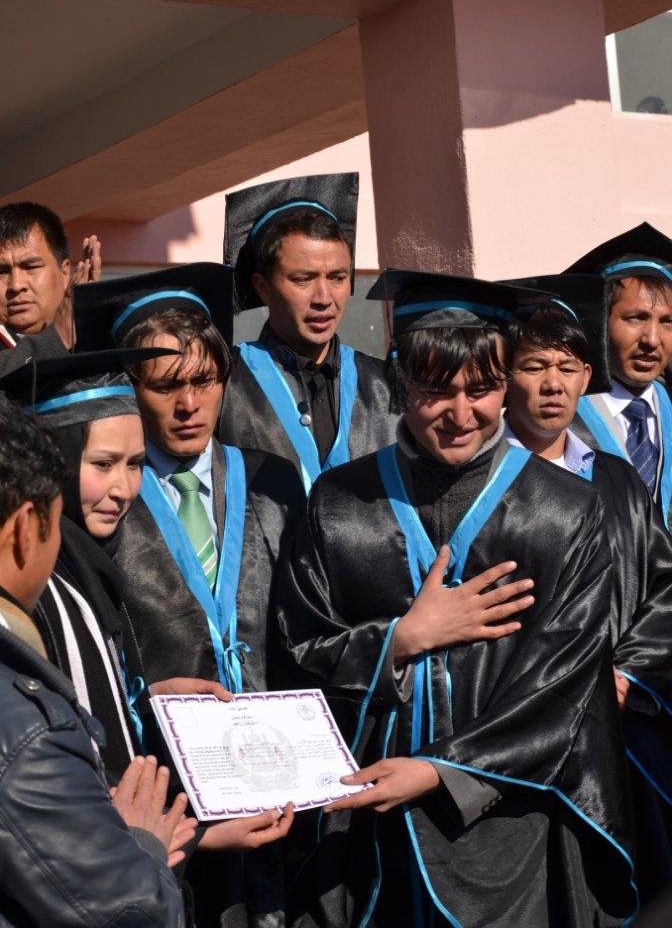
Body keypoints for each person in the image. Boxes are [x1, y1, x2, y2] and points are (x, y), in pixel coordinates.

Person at [276, 270, 636, 928]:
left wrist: (441, 772)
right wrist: (399, 642)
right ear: (397, 380)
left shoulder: (564, 511)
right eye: (435, 391)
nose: (461, 414)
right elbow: (296, 651)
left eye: (482, 389)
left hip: (514, 828)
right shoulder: (340, 504)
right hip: (371, 834)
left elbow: (567, 683)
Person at [73, 263, 303, 927]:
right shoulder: (106, 503)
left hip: (280, 781)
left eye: (204, 380)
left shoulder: (275, 482)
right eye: (166, 385)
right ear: (131, 389)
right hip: (165, 795)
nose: (189, 404)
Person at [504, 290, 672, 903]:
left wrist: (626, 674)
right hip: (525, 732)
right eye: (534, 366)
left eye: (568, 367)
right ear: (505, 375)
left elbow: (664, 584)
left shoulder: (615, 476)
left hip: (622, 733)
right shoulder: (486, 481)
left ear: (585, 376)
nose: (554, 384)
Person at [0, 392, 191, 926]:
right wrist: (144, 843)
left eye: (136, 465)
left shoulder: (94, 573)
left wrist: (143, 700)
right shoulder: (27, 729)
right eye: (103, 463)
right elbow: (125, 909)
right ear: (26, 529)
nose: (123, 488)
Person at [219, 173, 399, 491]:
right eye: (303, 279)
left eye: (337, 278)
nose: (324, 298)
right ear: (262, 286)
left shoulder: (385, 385)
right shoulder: (225, 383)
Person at [564, 222, 672, 527]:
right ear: (600, 320)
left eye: (667, 321)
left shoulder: (668, 405)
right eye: (635, 318)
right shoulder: (563, 418)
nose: (652, 339)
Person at [0, 201, 101, 350]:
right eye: (2, 271)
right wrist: (57, 339)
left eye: (31, 267)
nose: (16, 285)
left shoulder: (104, 340)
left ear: (65, 273)